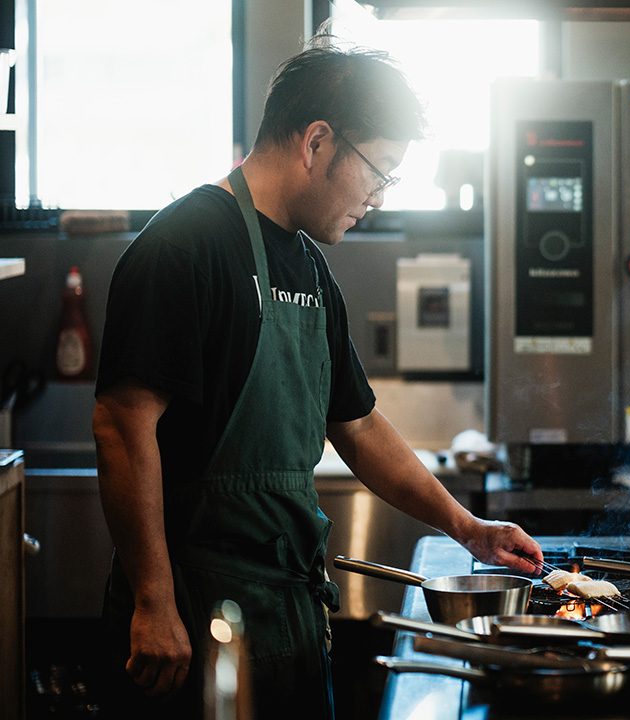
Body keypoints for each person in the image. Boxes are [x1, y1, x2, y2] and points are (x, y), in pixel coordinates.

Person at [92, 30, 543, 719]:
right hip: (196, 615)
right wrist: (154, 600)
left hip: (290, 611)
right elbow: (122, 428)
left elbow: (357, 426)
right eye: (381, 169)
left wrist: (467, 529)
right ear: (317, 142)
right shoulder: (183, 247)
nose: (382, 198)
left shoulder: (307, 264)